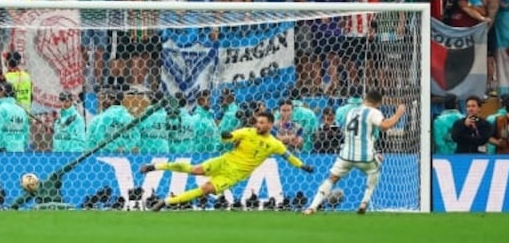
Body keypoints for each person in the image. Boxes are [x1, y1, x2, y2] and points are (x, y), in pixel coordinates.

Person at [141, 111, 314, 211]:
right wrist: (226, 136)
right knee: (194, 170)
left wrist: (303, 166)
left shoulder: (275, 144)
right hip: (225, 161)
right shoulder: (247, 131)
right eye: (257, 122)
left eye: (262, 123)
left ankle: (165, 202)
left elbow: (289, 157)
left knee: (205, 189)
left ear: (270, 124)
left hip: (234, 175)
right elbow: (229, 137)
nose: (258, 125)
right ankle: (155, 166)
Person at [304, 90, 405, 214]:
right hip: (365, 157)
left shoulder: (351, 111)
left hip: (346, 155)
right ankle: (364, 203)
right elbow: (384, 126)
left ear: (365, 99)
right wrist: (398, 115)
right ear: (378, 103)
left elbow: (346, 131)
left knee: (331, 179)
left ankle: (312, 207)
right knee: (375, 171)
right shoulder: (374, 112)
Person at [0, 82, 30, 152]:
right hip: (19, 148)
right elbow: (26, 131)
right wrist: (22, 145)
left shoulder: (0, 108)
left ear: (2, 92)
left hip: (4, 149)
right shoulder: (21, 110)